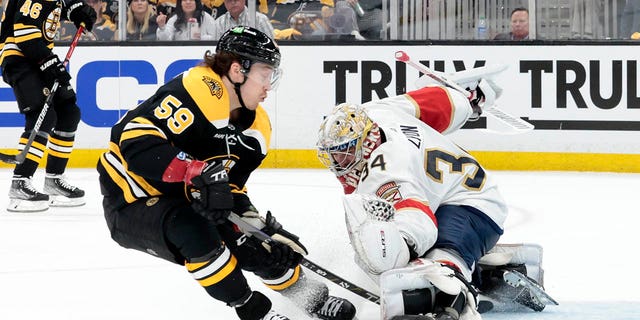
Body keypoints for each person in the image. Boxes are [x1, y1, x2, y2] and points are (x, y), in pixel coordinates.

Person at [97, 26, 356, 320]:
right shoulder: (199, 89)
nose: (268, 86)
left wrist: (260, 229)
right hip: (132, 201)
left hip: (186, 198)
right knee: (196, 231)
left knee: (256, 244)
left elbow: (230, 189)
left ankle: (312, 297)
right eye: (263, 74)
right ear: (236, 70)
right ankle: (253, 311)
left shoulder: (256, 130)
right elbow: (134, 142)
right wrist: (195, 171)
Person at [316, 74, 515, 319]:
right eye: (333, 154)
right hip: (452, 190)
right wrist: (468, 100)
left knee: (437, 267)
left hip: (473, 205)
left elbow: (418, 221)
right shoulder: (375, 112)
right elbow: (441, 103)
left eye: (344, 153)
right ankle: (480, 269)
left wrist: (400, 251)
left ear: (366, 143)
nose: (338, 163)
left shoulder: (383, 169)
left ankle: (457, 300)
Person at [0, 0, 96, 212]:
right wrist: (49, 63)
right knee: (42, 115)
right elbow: (25, 33)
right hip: (19, 59)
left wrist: (77, 11)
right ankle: (20, 182)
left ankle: (54, 179)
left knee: (69, 111)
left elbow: (56, 9)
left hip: (37, 57)